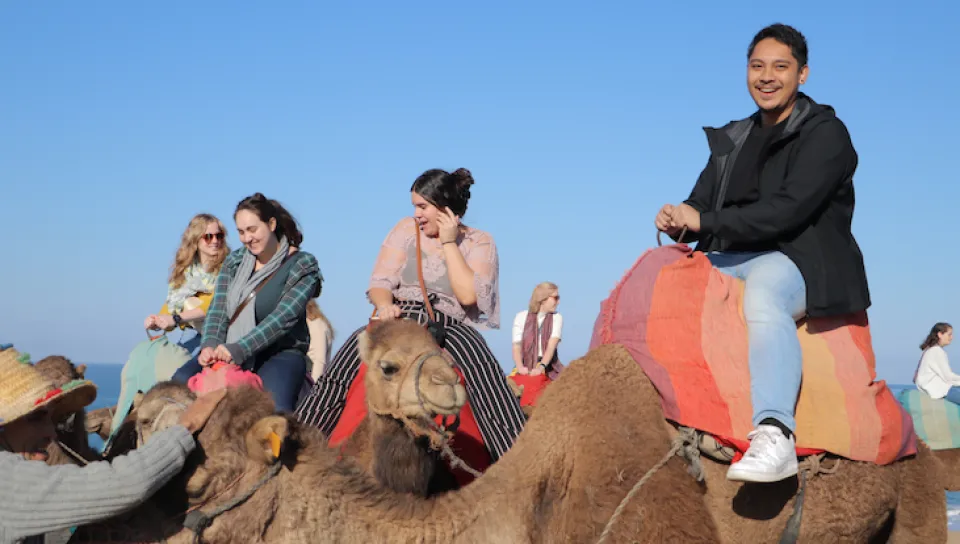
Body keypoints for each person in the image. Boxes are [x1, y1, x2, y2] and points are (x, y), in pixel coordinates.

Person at [653, 23, 870, 483]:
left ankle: (775, 431)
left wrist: (704, 222)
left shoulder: (827, 134)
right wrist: (680, 214)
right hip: (730, 256)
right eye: (757, 66)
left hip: (800, 260)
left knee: (765, 293)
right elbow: (701, 200)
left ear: (802, 75)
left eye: (780, 67)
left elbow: (787, 213)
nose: (766, 76)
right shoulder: (733, 137)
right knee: (653, 278)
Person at [296, 168, 526, 461]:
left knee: (486, 378)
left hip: (447, 326)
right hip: (399, 318)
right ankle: (296, 447)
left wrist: (448, 241)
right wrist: (383, 305)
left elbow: (468, 296)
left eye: (423, 206)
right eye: (415, 206)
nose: (417, 214)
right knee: (340, 372)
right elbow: (380, 283)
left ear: (444, 207)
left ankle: (516, 462)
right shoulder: (406, 230)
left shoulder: (479, 241)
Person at [0, 344, 225, 544]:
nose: (51, 432)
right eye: (35, 417)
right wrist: (185, 428)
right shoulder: (8, 479)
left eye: (53, 419)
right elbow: (120, 484)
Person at [171, 193, 323, 413]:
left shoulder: (302, 265)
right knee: (178, 384)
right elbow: (218, 309)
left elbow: (283, 319)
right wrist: (209, 346)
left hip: (278, 353)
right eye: (241, 232)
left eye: (252, 230)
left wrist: (239, 349)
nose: (246, 238)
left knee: (276, 412)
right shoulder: (235, 261)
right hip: (225, 347)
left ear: (271, 224)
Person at [144, 213, 231, 355]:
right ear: (195, 240)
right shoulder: (186, 271)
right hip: (192, 333)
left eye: (219, 236)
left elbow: (215, 303)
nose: (215, 241)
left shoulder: (228, 266)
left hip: (220, 334)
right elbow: (172, 304)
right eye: (208, 237)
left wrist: (176, 319)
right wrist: (157, 321)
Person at [512, 282, 564, 379]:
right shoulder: (521, 317)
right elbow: (516, 346)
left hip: (548, 367)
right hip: (524, 367)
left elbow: (551, 346)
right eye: (555, 298)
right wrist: (520, 367)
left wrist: (541, 368)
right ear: (543, 299)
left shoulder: (557, 318)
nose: (558, 302)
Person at [914, 323, 959, 404]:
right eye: (949, 335)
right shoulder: (937, 351)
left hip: (935, 389)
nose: (952, 338)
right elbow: (948, 377)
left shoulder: (930, 350)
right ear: (940, 334)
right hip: (941, 391)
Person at [304, 299, 335, 382]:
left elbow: (319, 360)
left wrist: (313, 387)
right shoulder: (309, 324)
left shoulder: (317, 325)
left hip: (310, 379)